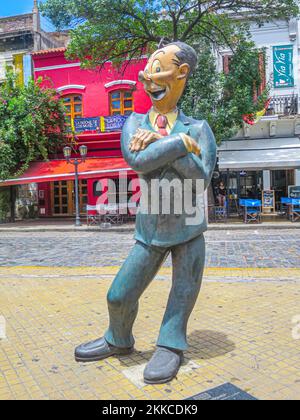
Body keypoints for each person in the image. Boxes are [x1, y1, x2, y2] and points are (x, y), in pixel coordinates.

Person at [75, 42, 217, 384]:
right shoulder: (134, 123)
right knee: (119, 294)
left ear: (181, 74)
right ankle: (118, 338)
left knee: (181, 295)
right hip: (149, 229)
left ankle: (170, 345)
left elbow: (200, 178)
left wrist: (158, 142)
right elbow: (138, 161)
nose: (149, 80)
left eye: (158, 71)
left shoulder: (199, 128)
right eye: (147, 73)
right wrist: (179, 145)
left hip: (189, 229)